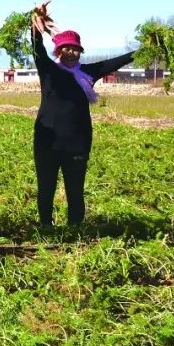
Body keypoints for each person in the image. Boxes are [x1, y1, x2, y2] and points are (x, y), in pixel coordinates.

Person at [32, 28, 134, 228]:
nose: (71, 53)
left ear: (80, 51)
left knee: (75, 190)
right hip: (47, 143)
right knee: (46, 188)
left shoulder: (87, 72)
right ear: (58, 51)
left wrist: (150, 48)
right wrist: (35, 27)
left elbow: (117, 61)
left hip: (77, 143)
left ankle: (75, 229)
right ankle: (45, 227)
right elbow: (37, 48)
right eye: (66, 49)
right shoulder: (48, 70)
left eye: (75, 49)